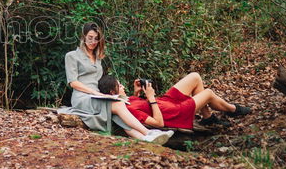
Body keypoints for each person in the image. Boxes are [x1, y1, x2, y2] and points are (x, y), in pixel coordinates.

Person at [63, 23, 174, 145]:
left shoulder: (97, 58)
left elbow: (98, 81)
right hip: (82, 98)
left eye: (96, 38)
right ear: (83, 37)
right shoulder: (72, 56)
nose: (93, 41)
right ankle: (149, 132)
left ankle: (146, 139)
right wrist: (95, 93)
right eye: (90, 37)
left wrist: (115, 87)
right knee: (119, 105)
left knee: (118, 114)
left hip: (97, 96)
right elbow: (73, 83)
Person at [99, 72, 251, 131]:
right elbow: (158, 123)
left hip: (166, 101)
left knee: (195, 77)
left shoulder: (127, 100)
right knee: (208, 93)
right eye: (119, 86)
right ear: (113, 93)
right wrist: (151, 98)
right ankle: (233, 110)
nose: (122, 86)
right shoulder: (127, 110)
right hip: (174, 112)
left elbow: (141, 105)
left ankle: (208, 118)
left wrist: (137, 93)